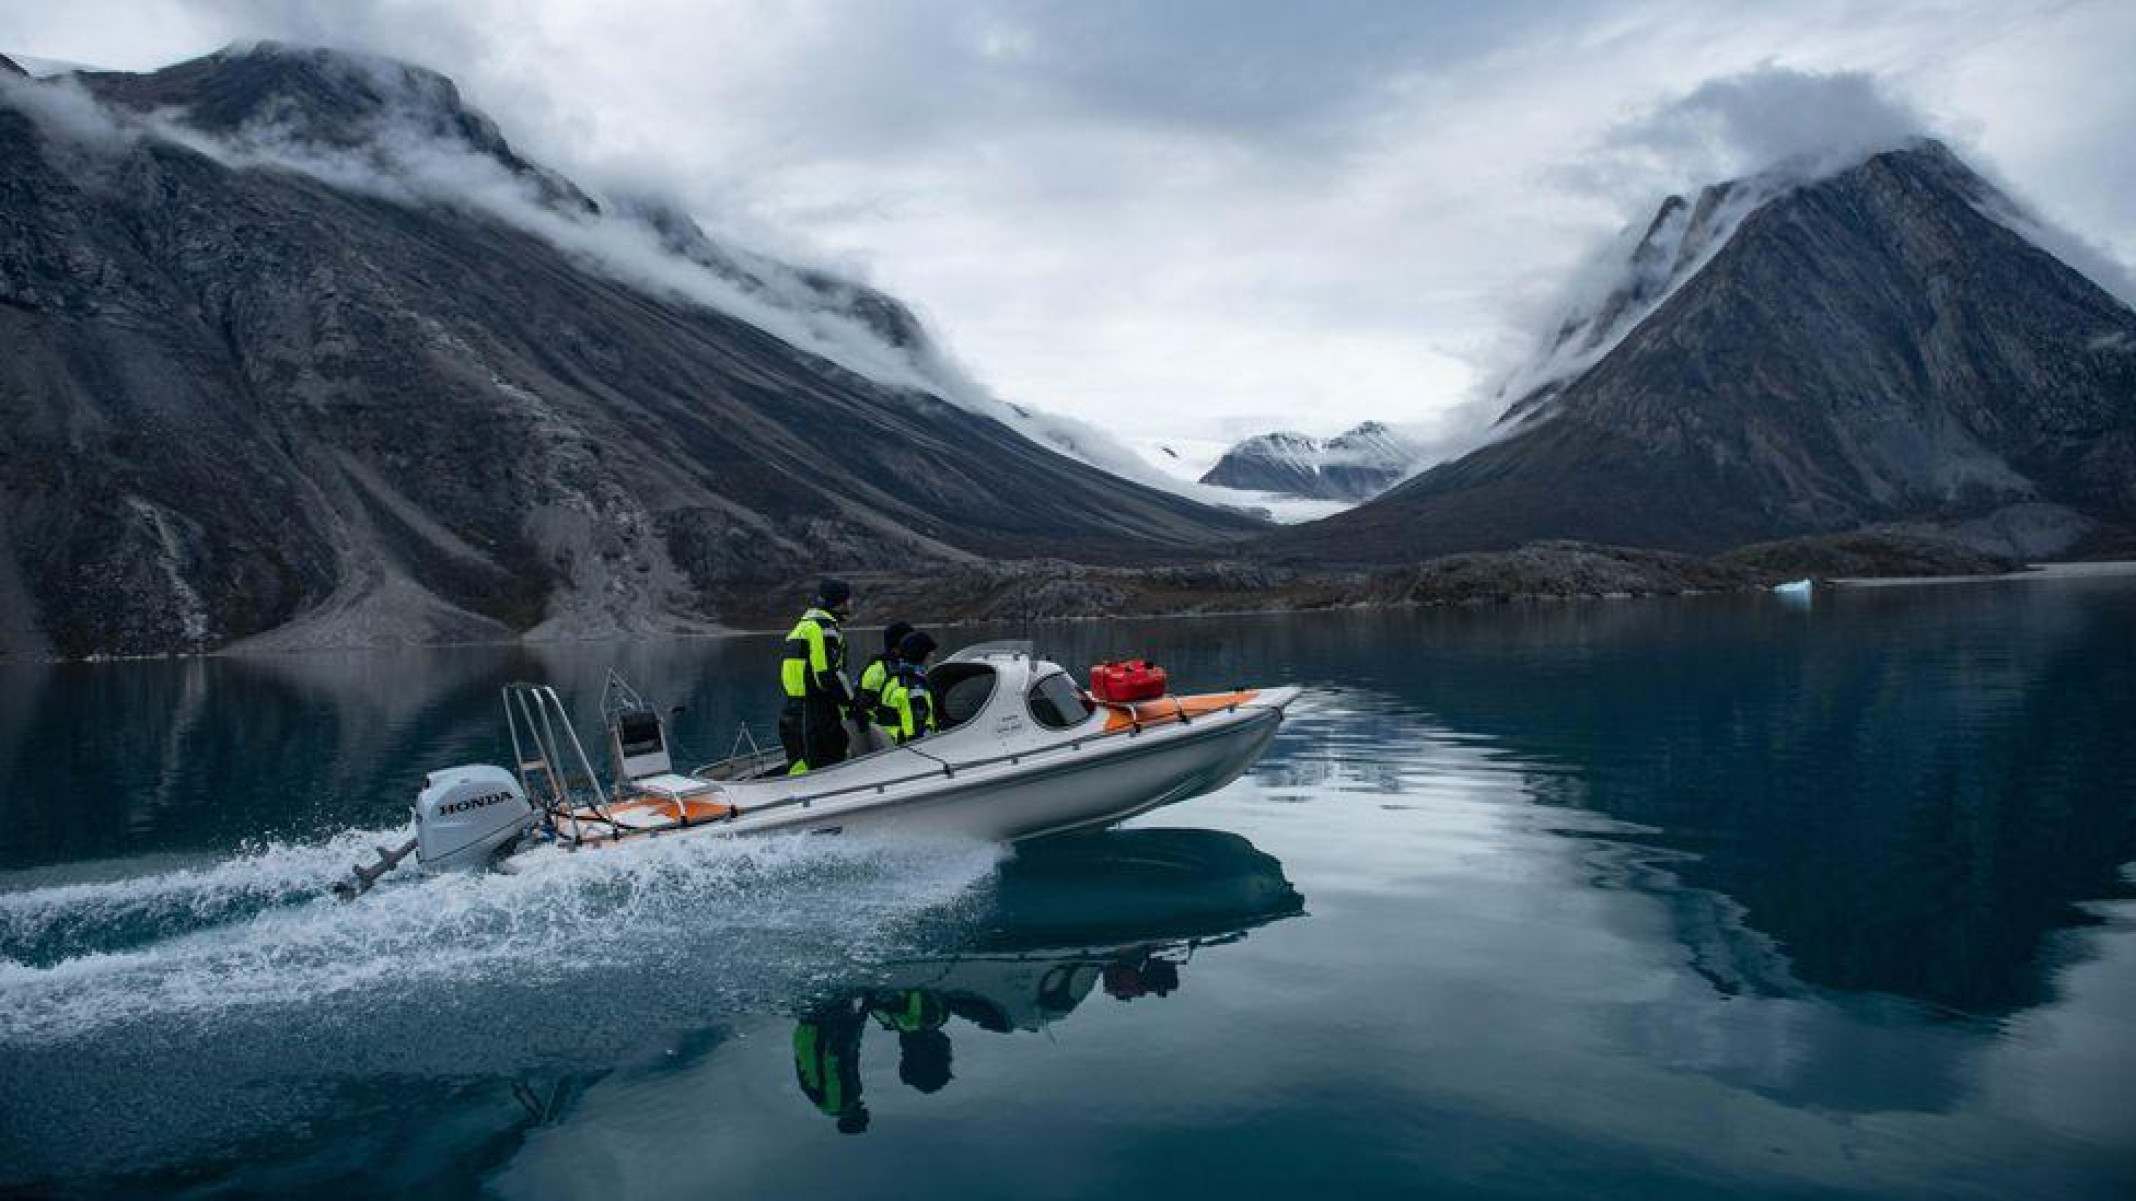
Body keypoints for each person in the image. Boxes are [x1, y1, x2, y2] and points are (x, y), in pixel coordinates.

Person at [779, 578, 855, 775]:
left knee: (799, 762)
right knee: (827, 765)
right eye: (849, 600)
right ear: (840, 602)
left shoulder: (802, 626)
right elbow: (827, 675)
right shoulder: (824, 629)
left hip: (793, 709)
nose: (851, 604)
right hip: (817, 713)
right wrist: (852, 705)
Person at [793, 996, 870, 1134]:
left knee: (834, 992)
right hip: (808, 1035)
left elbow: (836, 1065)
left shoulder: (844, 1101)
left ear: (855, 1117)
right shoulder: (826, 1104)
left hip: (822, 1031)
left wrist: (853, 1024)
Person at [854, 620, 914, 747]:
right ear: (897, 646)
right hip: (890, 739)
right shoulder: (877, 671)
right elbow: (863, 709)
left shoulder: (910, 667)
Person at [877, 630, 939, 745]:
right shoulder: (915, 688)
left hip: (892, 745)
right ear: (921, 654)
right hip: (911, 750)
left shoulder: (894, 679)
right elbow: (917, 731)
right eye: (930, 652)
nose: (933, 655)